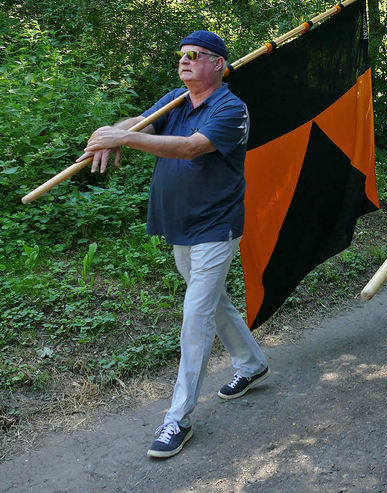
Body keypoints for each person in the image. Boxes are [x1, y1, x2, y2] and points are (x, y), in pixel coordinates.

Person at [82, 30, 269, 459]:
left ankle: (177, 418)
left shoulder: (230, 108)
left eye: (195, 55)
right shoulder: (175, 99)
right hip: (179, 225)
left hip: (216, 227)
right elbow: (140, 124)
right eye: (182, 54)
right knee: (214, 303)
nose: (184, 60)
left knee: (195, 317)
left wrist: (124, 139)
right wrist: (115, 129)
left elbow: (190, 148)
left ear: (218, 64)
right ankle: (253, 363)